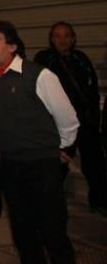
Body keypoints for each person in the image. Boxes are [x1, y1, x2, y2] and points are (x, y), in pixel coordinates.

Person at [0, 20, 79, 264]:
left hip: (42, 165)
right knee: (23, 232)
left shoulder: (39, 75)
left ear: (12, 46)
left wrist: (59, 147)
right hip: (11, 164)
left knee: (52, 230)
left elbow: (68, 118)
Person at [34, 21, 107, 215]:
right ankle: (48, 203)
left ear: (73, 38)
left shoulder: (80, 58)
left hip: (85, 121)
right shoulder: (44, 59)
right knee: (58, 164)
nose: (62, 40)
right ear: (51, 39)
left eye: (66, 35)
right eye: (57, 36)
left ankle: (99, 200)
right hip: (60, 123)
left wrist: (93, 118)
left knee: (95, 163)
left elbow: (91, 91)